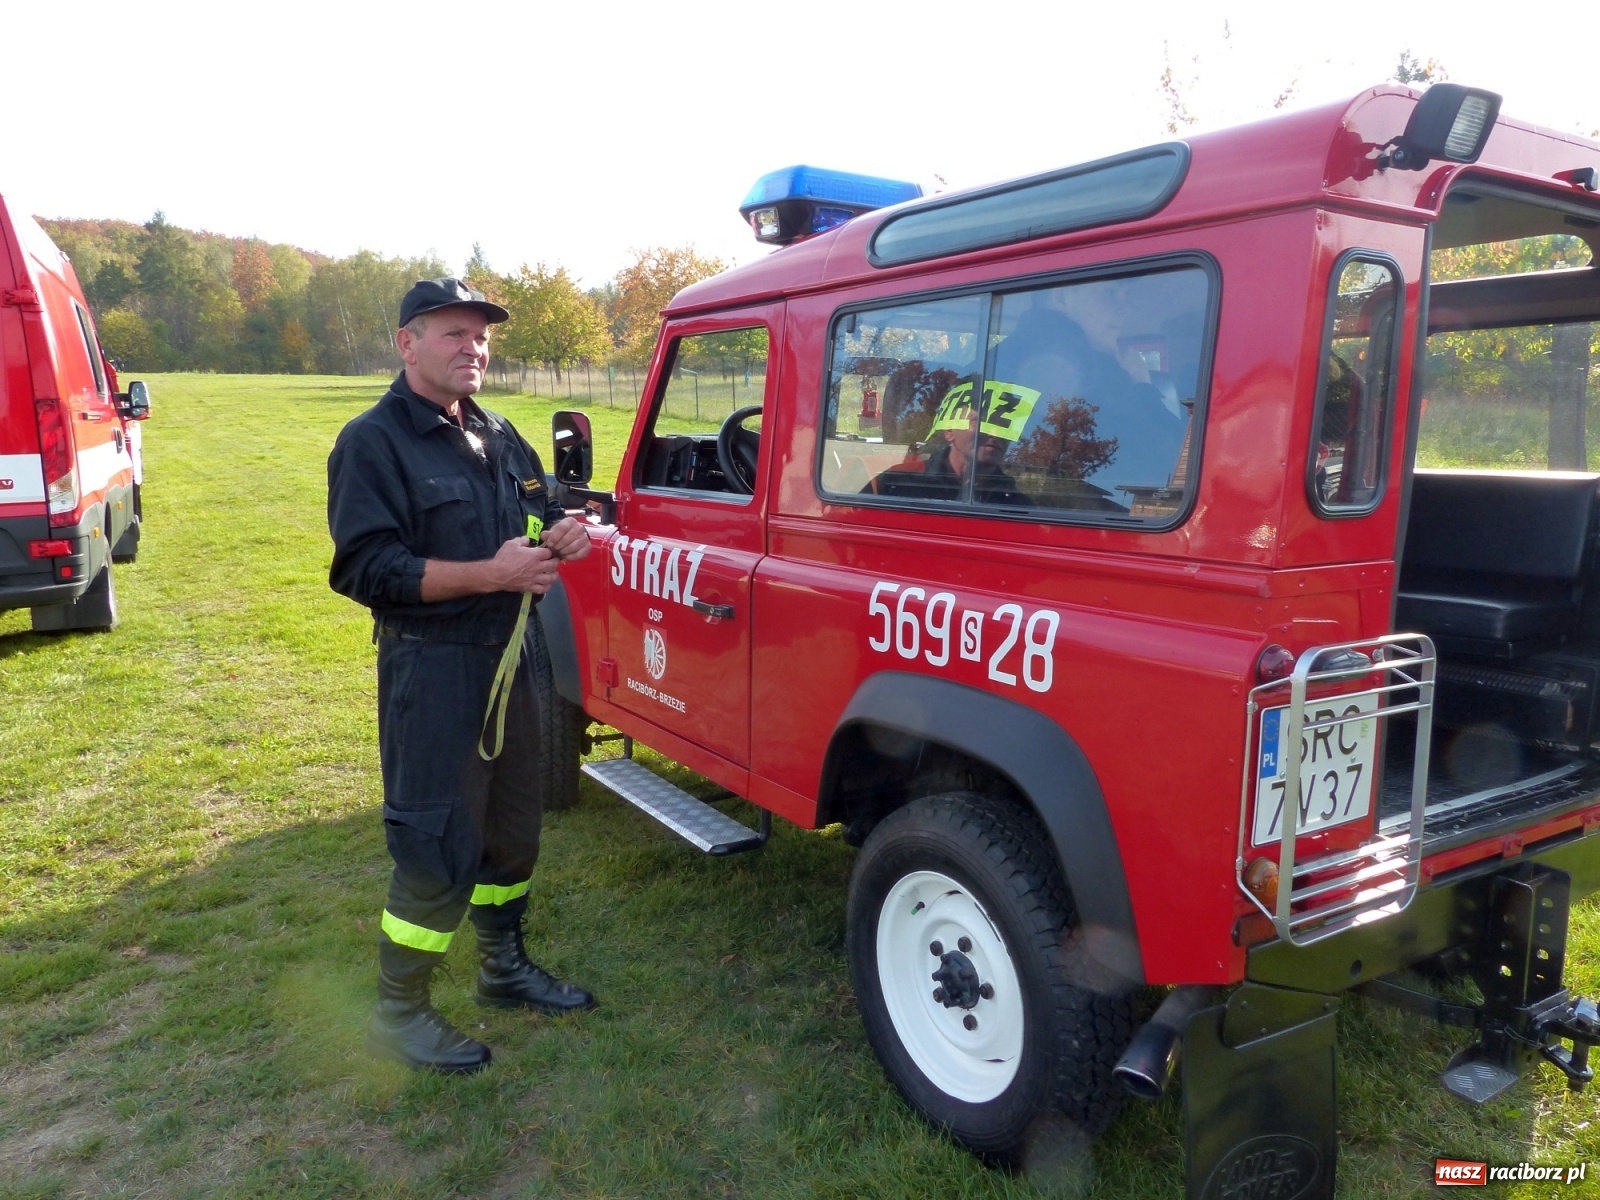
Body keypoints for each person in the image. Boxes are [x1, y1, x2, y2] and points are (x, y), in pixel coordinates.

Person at [327, 277, 595, 1075]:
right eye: (453, 333)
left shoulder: (499, 432)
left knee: (512, 831)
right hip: (433, 669)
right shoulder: (372, 442)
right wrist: (491, 573)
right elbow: (365, 568)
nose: (472, 347)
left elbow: (533, 515)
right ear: (407, 343)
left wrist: (561, 532)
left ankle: (502, 968)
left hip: (514, 663)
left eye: (481, 336)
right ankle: (397, 1013)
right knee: (437, 842)